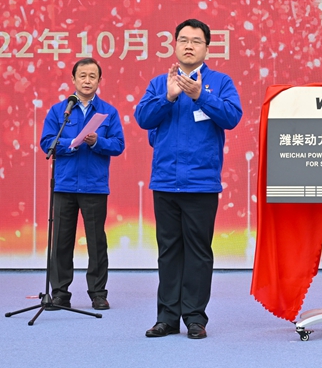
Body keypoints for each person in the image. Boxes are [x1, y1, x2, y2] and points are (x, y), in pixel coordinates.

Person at [135, 19, 243, 339]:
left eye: (196, 41)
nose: (189, 46)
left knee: (198, 252)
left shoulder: (220, 82)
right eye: (183, 40)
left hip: (201, 182)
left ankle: (195, 317)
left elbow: (232, 117)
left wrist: (201, 96)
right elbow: (143, 118)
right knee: (168, 251)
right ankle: (167, 318)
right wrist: (167, 97)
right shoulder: (160, 83)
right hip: (165, 181)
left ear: (207, 48)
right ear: (175, 45)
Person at [39, 58, 125, 311]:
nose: (87, 81)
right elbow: (47, 142)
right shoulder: (60, 111)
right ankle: (60, 293)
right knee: (61, 242)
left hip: (94, 186)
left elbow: (118, 145)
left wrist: (97, 141)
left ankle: (98, 293)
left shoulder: (108, 112)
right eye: (82, 76)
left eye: (92, 76)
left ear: (99, 81)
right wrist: (71, 143)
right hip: (64, 185)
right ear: (73, 79)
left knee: (96, 242)